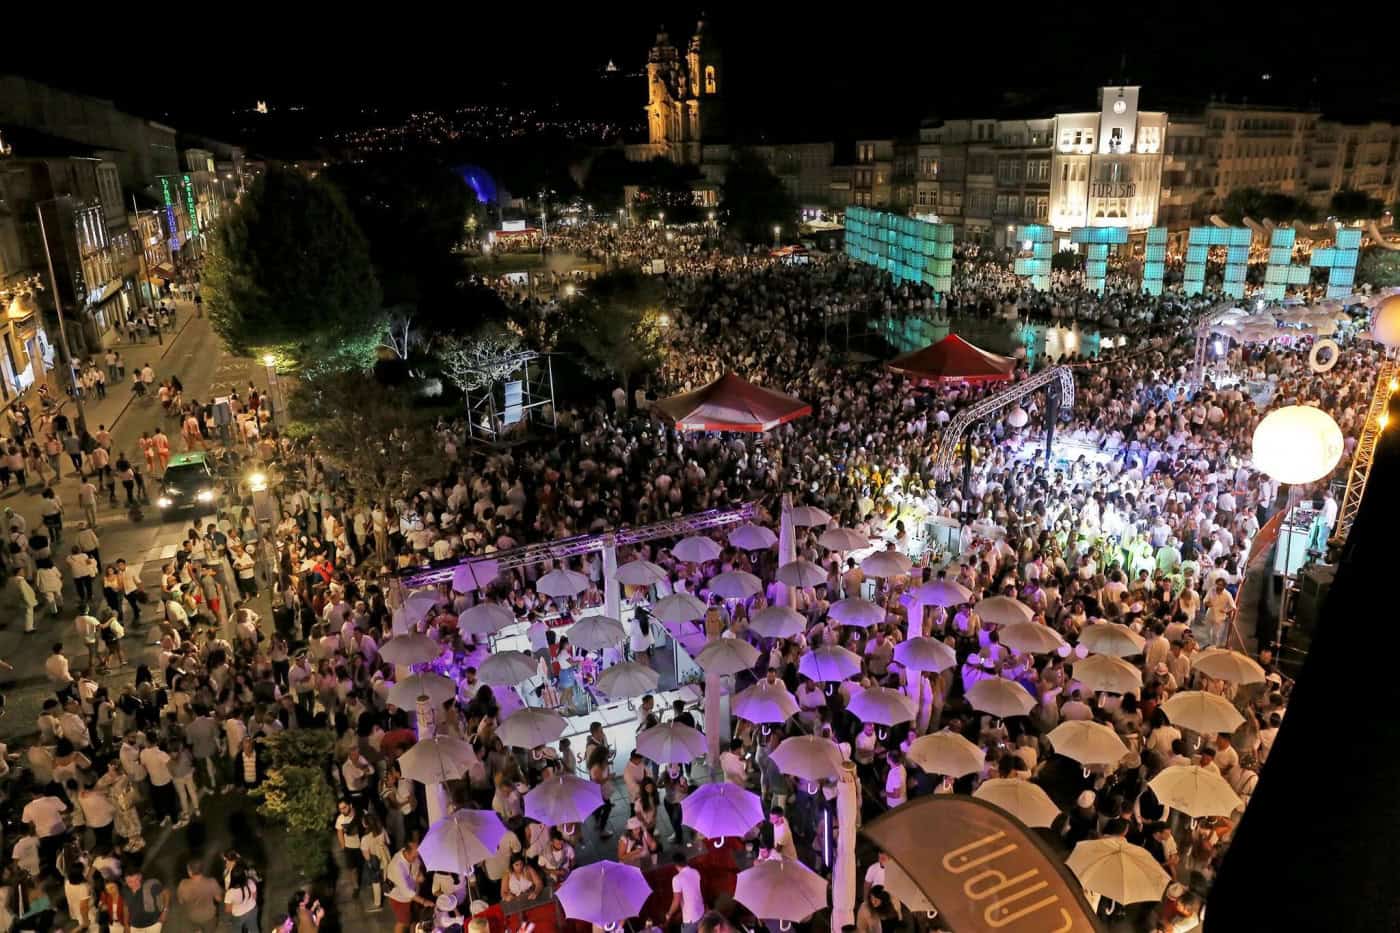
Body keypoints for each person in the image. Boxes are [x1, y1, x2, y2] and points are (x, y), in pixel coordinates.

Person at [385, 836, 434, 933]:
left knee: (414, 919)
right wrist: (424, 901)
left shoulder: (412, 856)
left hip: (413, 894)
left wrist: (419, 875)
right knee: (403, 922)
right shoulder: (397, 866)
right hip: (399, 898)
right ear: (406, 852)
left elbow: (416, 867)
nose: (417, 858)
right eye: (414, 856)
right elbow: (406, 891)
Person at [119, 863, 170, 933]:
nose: (134, 884)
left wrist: (165, 911)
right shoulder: (125, 890)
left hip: (153, 924)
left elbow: (166, 893)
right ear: (125, 881)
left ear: (140, 877)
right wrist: (126, 924)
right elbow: (125, 906)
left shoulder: (151, 885)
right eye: (130, 882)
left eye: (136, 880)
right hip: (135, 926)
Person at [176, 861, 223, 933]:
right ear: (202, 870)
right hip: (209, 916)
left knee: (195, 930)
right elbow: (219, 899)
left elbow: (181, 901)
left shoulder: (183, 884)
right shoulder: (212, 882)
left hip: (192, 916)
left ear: (190, 871)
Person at [667, 851, 706, 933]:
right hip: (701, 912)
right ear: (685, 861)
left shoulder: (676, 879)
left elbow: (676, 902)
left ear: (675, 865)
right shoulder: (696, 872)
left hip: (690, 918)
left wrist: (669, 914)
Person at [223, 859, 259, 933]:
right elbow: (255, 897)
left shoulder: (230, 893)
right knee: (253, 929)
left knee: (236, 930)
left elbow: (228, 910)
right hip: (252, 910)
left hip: (238, 915)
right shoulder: (250, 882)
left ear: (232, 878)